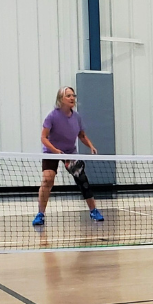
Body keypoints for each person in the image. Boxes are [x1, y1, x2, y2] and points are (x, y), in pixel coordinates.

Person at [33, 86, 104, 226]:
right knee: (47, 180)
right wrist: (55, 150)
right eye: (68, 96)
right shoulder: (52, 116)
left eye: (73, 95)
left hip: (70, 152)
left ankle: (93, 210)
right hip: (51, 151)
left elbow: (81, 135)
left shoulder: (76, 117)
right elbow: (44, 137)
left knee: (82, 180)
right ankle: (40, 214)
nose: (72, 98)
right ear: (61, 99)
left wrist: (90, 146)